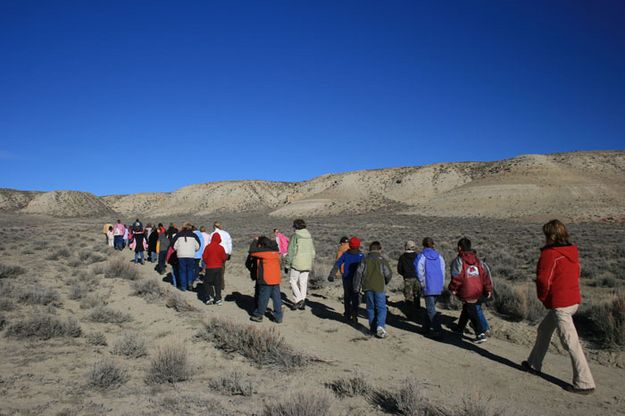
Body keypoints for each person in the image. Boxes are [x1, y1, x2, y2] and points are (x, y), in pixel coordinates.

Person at [522, 220, 595, 394]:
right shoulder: (571, 251)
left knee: (570, 341)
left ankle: (585, 382)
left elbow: (543, 280)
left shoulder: (550, 254)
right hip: (573, 300)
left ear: (551, 235)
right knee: (544, 330)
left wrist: (545, 299)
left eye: (546, 235)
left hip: (560, 303)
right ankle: (533, 363)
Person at [449, 237, 493, 343]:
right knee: (468, 308)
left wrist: (453, 288)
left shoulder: (459, 261)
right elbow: (485, 276)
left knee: (471, 310)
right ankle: (459, 329)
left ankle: (480, 333)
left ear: (459, 248)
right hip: (478, 290)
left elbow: (457, 277)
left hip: (466, 290)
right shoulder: (478, 260)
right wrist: (488, 289)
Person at [353, 241, 392, 338]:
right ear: (380, 249)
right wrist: (385, 281)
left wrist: (356, 287)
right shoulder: (382, 260)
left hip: (367, 287)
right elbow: (388, 274)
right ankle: (380, 327)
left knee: (370, 308)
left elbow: (358, 273)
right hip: (379, 287)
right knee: (381, 308)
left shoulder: (364, 260)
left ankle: (373, 329)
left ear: (369, 249)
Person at [328, 237, 364, 323]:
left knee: (347, 296)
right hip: (357, 279)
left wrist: (332, 274)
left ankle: (347, 314)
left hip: (346, 278)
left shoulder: (346, 254)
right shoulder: (361, 255)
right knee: (355, 295)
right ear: (358, 245)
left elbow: (337, 263)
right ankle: (355, 314)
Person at [249, 236, 283, 323]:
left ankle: (259, 314)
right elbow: (275, 245)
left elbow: (252, 251)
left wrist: (255, 240)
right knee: (277, 298)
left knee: (263, 298)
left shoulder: (264, 252)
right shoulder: (275, 252)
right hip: (276, 279)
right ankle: (278, 316)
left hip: (266, 279)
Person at [416, 237, 445, 338]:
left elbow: (419, 270)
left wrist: (422, 283)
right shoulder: (439, 256)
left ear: (423, 245)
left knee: (430, 309)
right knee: (430, 307)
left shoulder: (422, 256)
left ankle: (438, 330)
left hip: (428, 285)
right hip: (438, 285)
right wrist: (441, 284)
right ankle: (425, 328)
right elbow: (443, 270)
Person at [284, 219, 316, 311]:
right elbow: (313, 252)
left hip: (297, 262)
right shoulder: (309, 236)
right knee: (303, 283)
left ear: (296, 226)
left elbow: (291, 251)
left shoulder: (295, 236)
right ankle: (302, 302)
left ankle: (299, 300)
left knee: (293, 281)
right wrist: (310, 262)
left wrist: (287, 265)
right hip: (307, 263)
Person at [172, 223, 201, 291]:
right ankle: (190, 283)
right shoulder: (194, 235)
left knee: (182, 271)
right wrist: (194, 249)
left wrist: (178, 249)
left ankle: (183, 286)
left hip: (181, 255)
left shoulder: (178, 235)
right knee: (190, 270)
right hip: (191, 255)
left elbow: (174, 245)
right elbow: (198, 246)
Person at [201, 232, 228, 305]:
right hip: (219, 268)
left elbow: (204, 257)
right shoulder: (221, 248)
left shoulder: (208, 247)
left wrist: (208, 262)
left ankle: (210, 296)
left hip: (210, 267)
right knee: (218, 283)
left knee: (207, 282)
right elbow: (224, 258)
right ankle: (218, 299)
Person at [397, 240, 421, 316]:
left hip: (407, 278)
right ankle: (418, 311)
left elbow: (399, 269)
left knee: (408, 296)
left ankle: (410, 313)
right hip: (417, 278)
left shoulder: (402, 257)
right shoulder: (418, 256)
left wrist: (404, 274)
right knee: (417, 294)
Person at [210, 221, 233, 293]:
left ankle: (216, 283)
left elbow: (210, 244)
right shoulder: (226, 233)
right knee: (222, 268)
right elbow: (229, 243)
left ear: (214, 226)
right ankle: (221, 284)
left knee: (215, 268)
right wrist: (229, 253)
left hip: (215, 253)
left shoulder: (212, 234)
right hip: (225, 253)